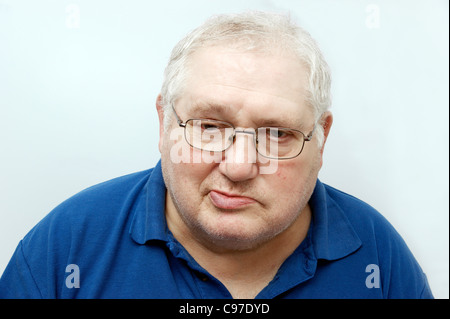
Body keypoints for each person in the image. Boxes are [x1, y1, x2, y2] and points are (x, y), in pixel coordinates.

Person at [0, 11, 433, 299]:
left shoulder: (382, 261)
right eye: (209, 127)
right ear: (164, 124)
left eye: (277, 134)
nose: (239, 166)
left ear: (321, 139)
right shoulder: (65, 249)